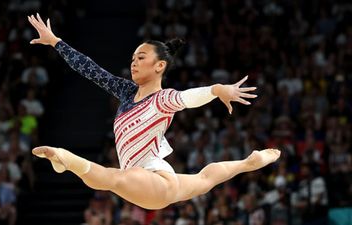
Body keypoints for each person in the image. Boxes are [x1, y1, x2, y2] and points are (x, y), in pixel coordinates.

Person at [27, 13, 281, 210]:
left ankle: (67, 160)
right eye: (133, 58)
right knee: (206, 178)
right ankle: (250, 162)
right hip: (153, 181)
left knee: (115, 179)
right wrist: (56, 42)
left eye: (141, 57)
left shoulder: (163, 99)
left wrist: (216, 89)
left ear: (159, 66)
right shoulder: (127, 92)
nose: (133, 62)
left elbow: (187, 98)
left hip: (152, 179)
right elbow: (91, 70)